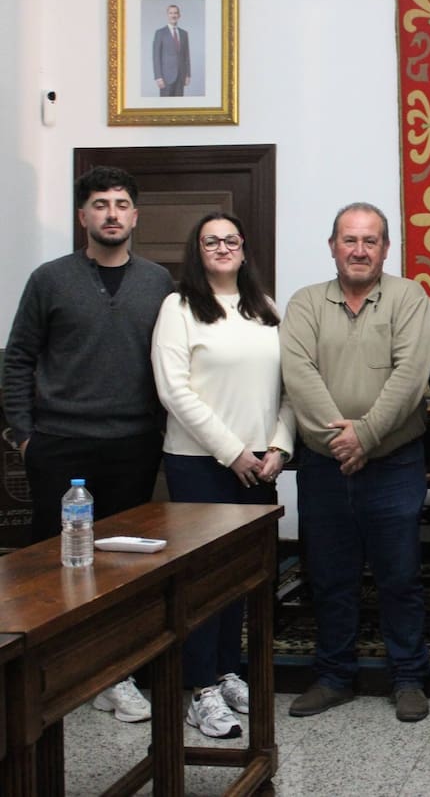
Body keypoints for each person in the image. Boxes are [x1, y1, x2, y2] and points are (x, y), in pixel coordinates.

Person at [3, 164, 174, 723]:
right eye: (100, 204)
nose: (112, 214)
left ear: (135, 215)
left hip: (132, 443)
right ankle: (49, 675)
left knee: (123, 565)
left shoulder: (159, 283)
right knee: (55, 566)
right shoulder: (50, 279)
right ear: (83, 216)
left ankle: (116, 672)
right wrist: (25, 435)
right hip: (58, 443)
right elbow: (18, 358)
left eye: (121, 204)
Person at [280, 202, 430, 722]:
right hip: (324, 466)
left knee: (400, 576)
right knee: (329, 576)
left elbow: (411, 376)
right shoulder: (304, 304)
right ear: (332, 246)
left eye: (371, 241)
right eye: (350, 240)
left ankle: (409, 678)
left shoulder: (409, 297)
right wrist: (343, 441)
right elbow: (298, 374)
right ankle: (334, 676)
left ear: (386, 249)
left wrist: (364, 437)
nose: (360, 250)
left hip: (393, 462)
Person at [151, 212, 295, 739]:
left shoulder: (266, 309)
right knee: (201, 579)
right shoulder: (180, 307)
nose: (222, 247)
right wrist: (232, 451)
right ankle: (200, 689)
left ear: (243, 248)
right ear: (197, 250)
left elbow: (291, 385)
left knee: (241, 577)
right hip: (200, 463)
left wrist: (280, 444)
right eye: (211, 241)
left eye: (230, 239)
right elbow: (174, 390)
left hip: (261, 463)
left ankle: (227, 669)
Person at [152, 3, 191, 97]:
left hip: (181, 76)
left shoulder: (184, 34)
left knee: (179, 107)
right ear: (167, 15)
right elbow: (156, 56)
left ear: (179, 15)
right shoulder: (160, 33)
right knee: (165, 107)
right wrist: (158, 77)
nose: (173, 15)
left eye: (176, 13)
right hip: (165, 77)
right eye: (171, 13)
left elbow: (186, 56)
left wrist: (188, 75)